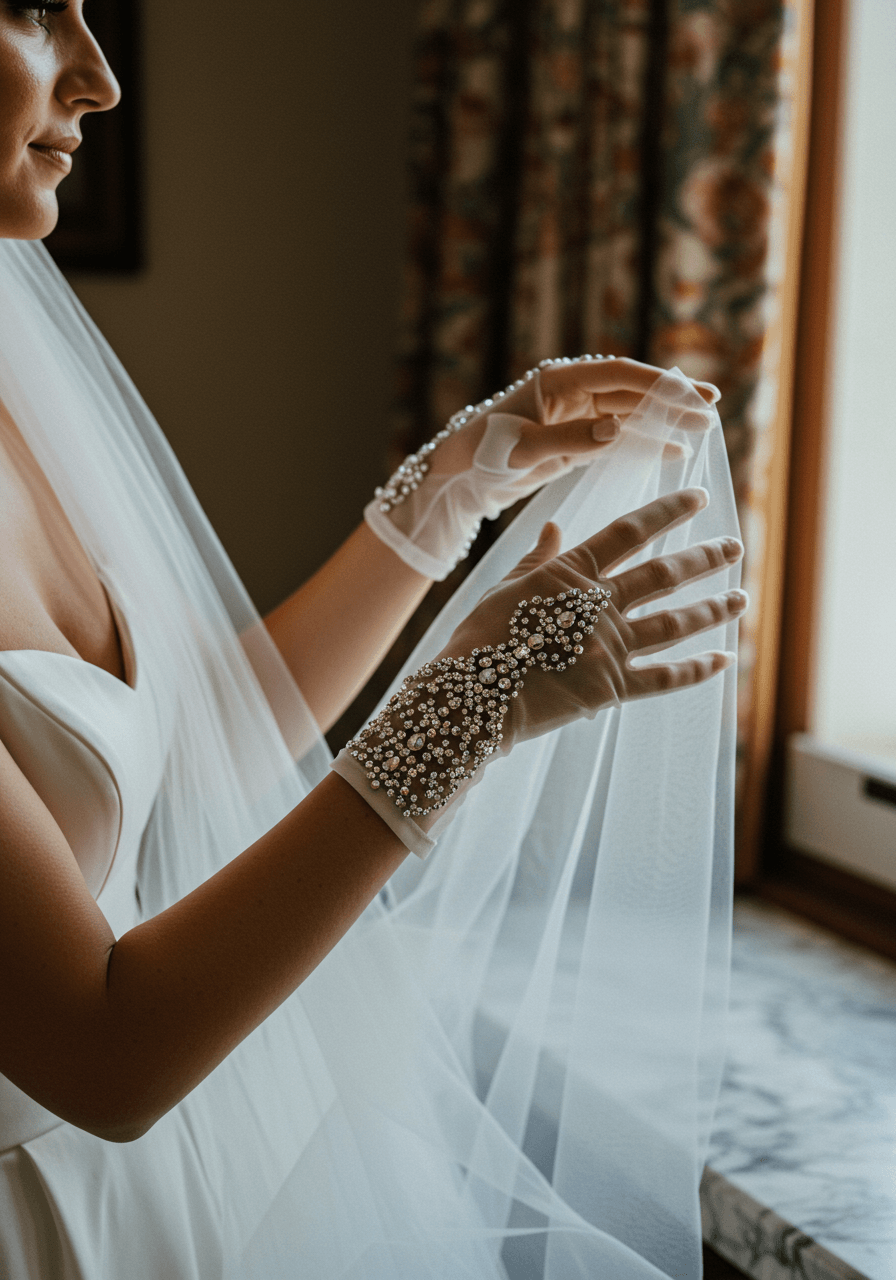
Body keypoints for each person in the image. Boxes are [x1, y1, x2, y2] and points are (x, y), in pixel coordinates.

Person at [0, 4, 747, 1278]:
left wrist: (446, 494)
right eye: (29, 7)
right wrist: (468, 702)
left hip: (161, 1191)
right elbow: (102, 1052)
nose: (102, 77)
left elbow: (195, 730)